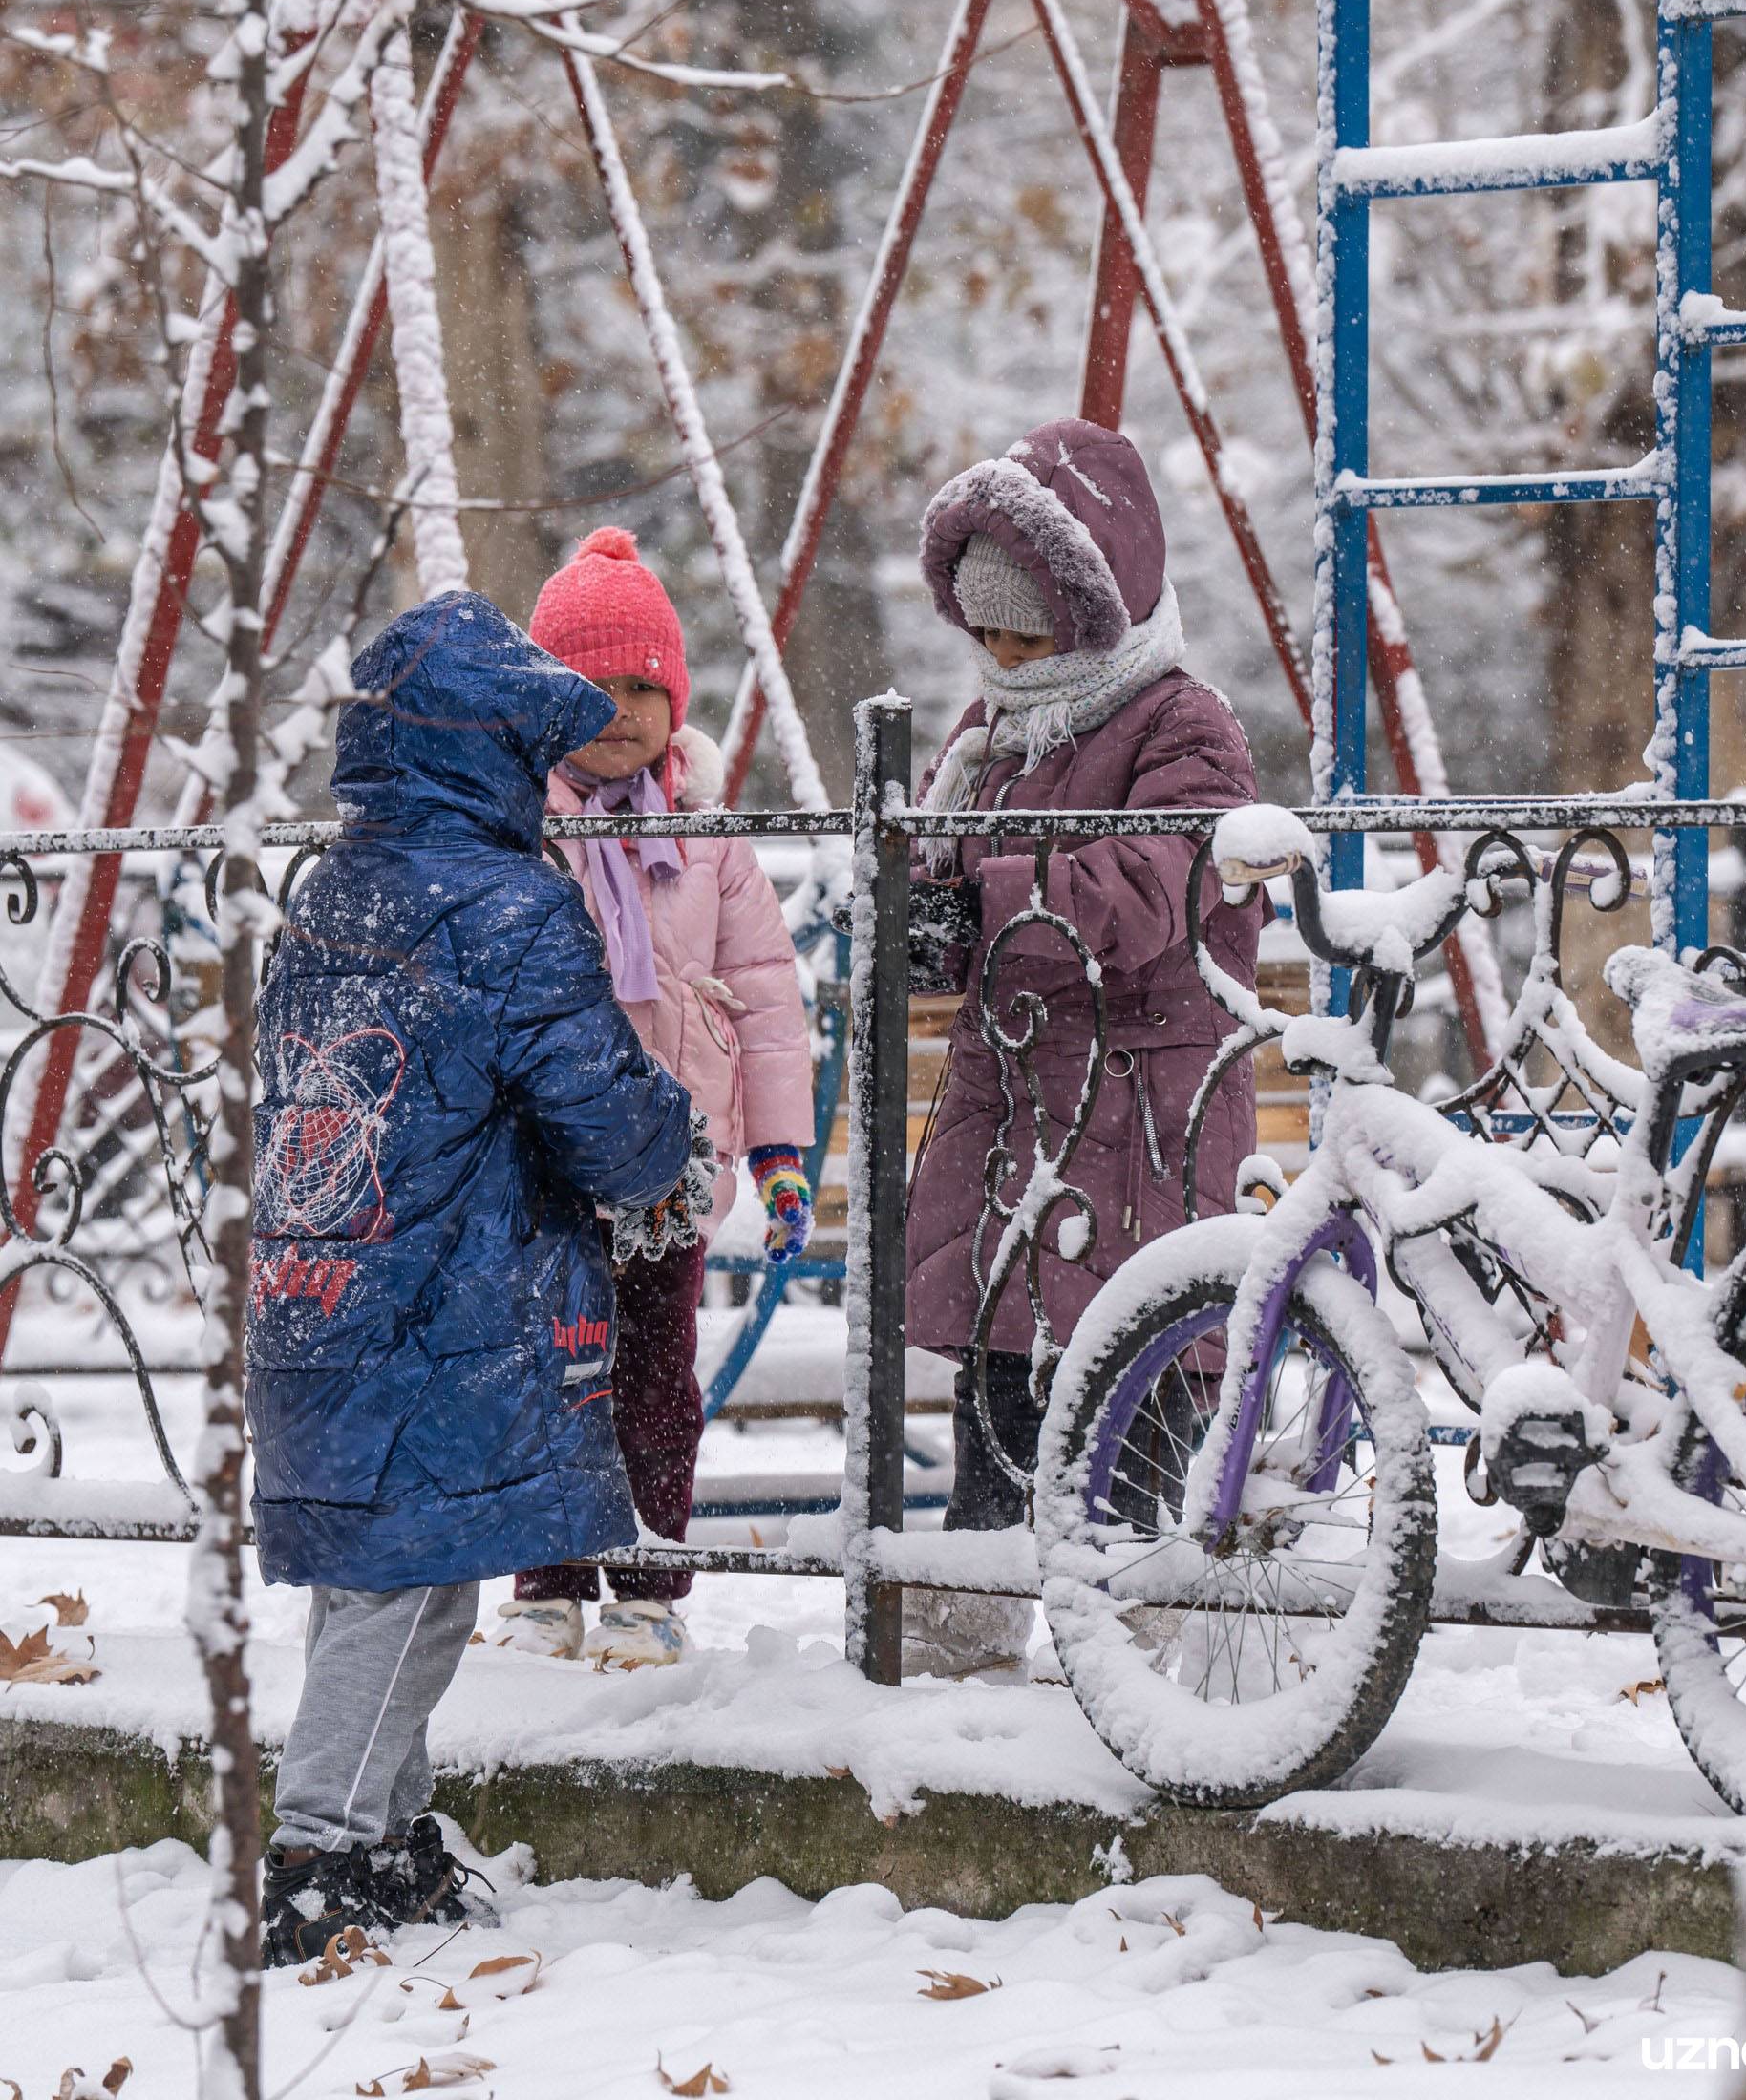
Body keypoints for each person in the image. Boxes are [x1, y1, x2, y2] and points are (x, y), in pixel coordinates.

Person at [249, 589, 699, 1968]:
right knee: (400, 1595)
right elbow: (603, 1112)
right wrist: (668, 1134)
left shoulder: (328, 892)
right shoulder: (509, 909)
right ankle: (321, 1847)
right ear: (485, 757)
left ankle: (386, 1825)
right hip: (445, 1306)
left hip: (324, 1293)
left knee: (397, 1582)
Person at [904, 419, 1264, 1678]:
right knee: (1002, 1382)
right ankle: (963, 1641)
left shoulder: (1185, 727)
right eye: (986, 636)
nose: (1002, 661)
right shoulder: (985, 741)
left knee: (1138, 1378)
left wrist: (983, 903)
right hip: (1020, 1117)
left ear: (1095, 617)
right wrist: (921, 915)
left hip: (1139, 1120)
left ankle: (1143, 1653)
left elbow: (1153, 886)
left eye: (1027, 636)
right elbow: (945, 885)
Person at [491, 528, 816, 1667]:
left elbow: (769, 1002)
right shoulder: (518, 830)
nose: (622, 711)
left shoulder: (706, 841)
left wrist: (777, 1147)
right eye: (592, 688)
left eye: (645, 688)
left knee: (651, 1376)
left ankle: (647, 1578)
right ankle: (545, 1579)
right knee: (549, 1367)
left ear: (676, 702)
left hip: (673, 1165)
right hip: (546, 1164)